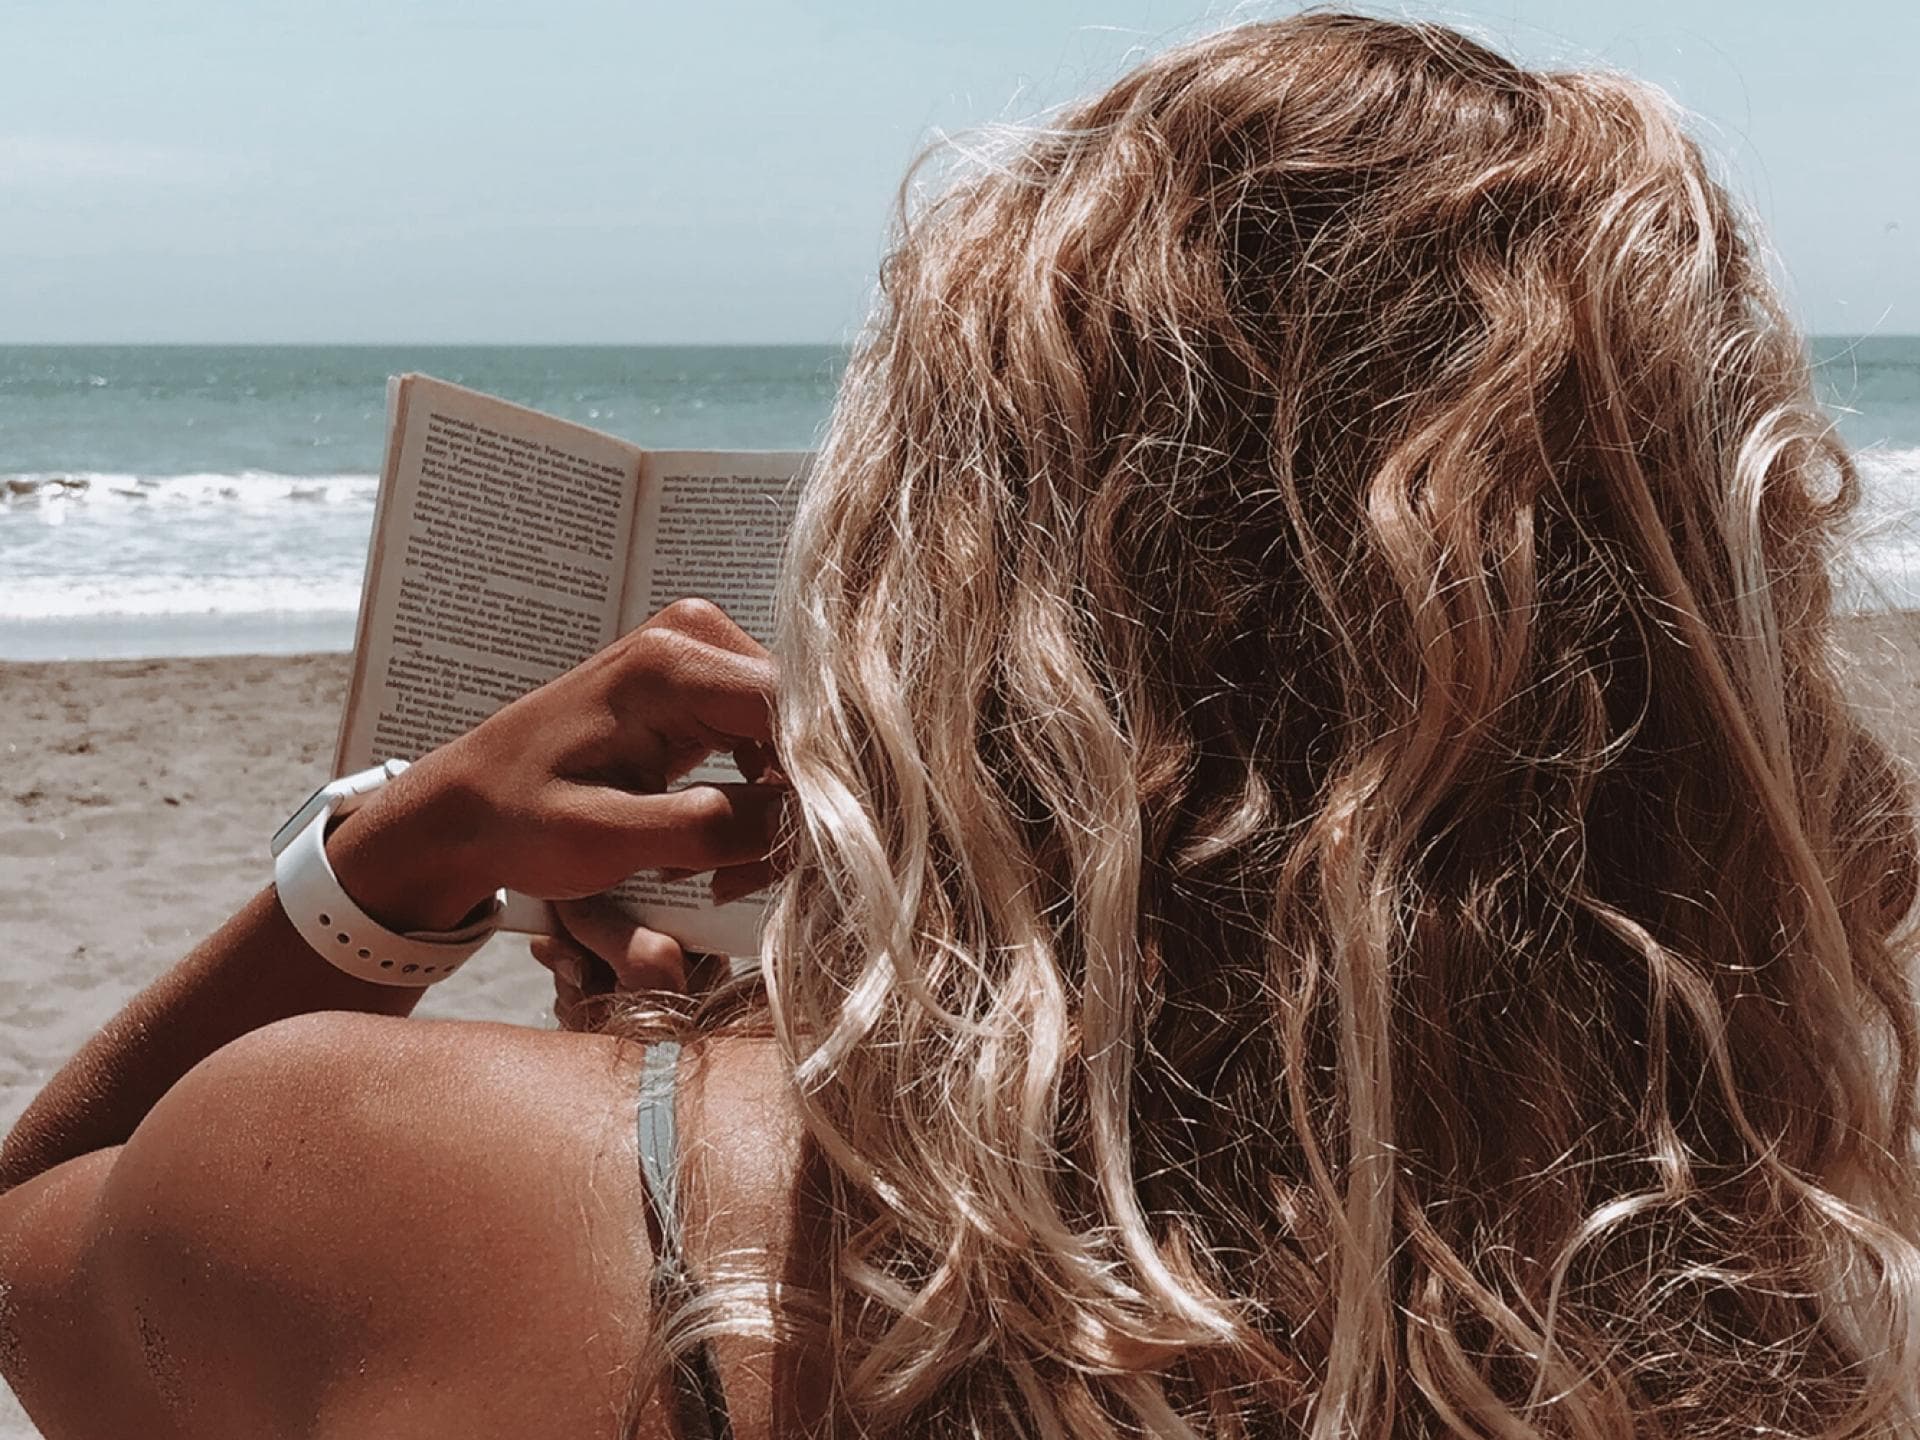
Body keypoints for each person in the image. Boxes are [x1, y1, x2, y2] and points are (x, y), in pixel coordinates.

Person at [3, 13, 1917, 1437]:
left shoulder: (386, 1186)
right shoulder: (1800, 1287)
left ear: (942, 565)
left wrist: (390, 868)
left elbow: (29, 1274)